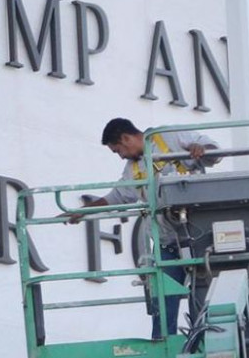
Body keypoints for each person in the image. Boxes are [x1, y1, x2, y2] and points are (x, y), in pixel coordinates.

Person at [76, 118, 220, 339]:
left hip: (199, 238)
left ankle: (203, 342)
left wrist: (201, 149)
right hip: (168, 243)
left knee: (200, 297)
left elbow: (216, 152)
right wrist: (85, 211)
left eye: (118, 150)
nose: (121, 156)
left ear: (126, 138)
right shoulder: (133, 169)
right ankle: (163, 348)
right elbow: (118, 196)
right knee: (162, 301)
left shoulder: (170, 137)